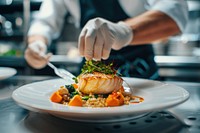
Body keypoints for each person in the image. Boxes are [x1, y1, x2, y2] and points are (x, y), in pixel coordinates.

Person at [25, 0, 188, 79]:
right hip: (90, 75)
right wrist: (37, 43)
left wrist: (123, 31)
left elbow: (175, 13)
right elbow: (44, 22)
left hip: (141, 76)